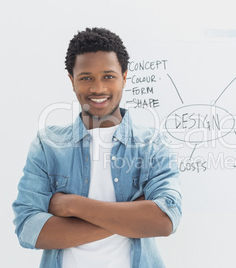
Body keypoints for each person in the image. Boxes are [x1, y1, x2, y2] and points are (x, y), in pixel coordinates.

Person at [12, 27, 182, 268]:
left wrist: (72, 205)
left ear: (124, 77)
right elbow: (29, 230)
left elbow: (164, 221)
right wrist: (132, 216)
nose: (98, 88)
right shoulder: (48, 145)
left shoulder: (151, 145)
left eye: (109, 76)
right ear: (72, 81)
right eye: (86, 77)